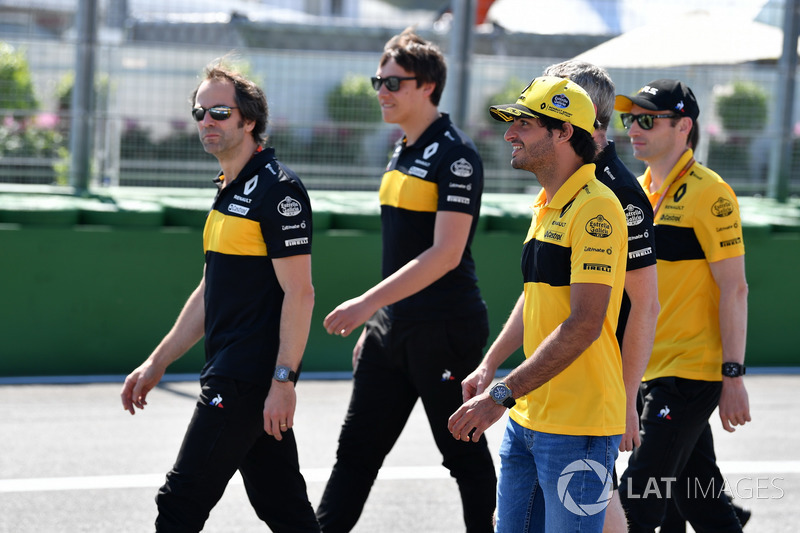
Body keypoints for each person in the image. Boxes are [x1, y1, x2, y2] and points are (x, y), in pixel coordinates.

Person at [119, 62, 320, 532]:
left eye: (220, 113)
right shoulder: (229, 188)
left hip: (247, 379)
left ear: (248, 120)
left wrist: (283, 381)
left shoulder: (279, 189)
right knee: (284, 508)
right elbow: (212, 289)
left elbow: (301, 293)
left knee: (180, 503)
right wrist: (157, 362)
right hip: (235, 370)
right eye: (199, 112)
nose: (206, 122)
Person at [315, 28, 497, 532]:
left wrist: (365, 305)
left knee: (462, 455)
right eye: (379, 81)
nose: (382, 92)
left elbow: (445, 255)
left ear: (428, 87)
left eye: (394, 82)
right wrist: (380, 320)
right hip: (391, 330)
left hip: (444, 329)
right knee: (355, 452)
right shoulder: (402, 148)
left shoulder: (456, 156)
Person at [448, 75, 628, 532]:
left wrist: (502, 395)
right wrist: (490, 365)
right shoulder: (548, 203)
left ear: (564, 132)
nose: (510, 134)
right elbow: (535, 296)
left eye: (524, 124)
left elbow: (585, 324)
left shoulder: (597, 208)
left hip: (578, 426)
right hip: (528, 415)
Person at [614, 79, 751, 532]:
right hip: (648, 370)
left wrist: (732, 375)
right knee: (700, 502)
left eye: (647, 119)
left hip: (690, 374)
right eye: (629, 118)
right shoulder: (635, 190)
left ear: (683, 126)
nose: (634, 127)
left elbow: (735, 289)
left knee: (636, 500)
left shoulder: (711, 193)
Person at [543, 60, 660, 533]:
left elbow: (645, 305)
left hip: (595, 389)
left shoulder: (619, 194)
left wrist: (626, 401)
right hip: (555, 384)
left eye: (551, 104)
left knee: (598, 511)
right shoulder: (562, 180)